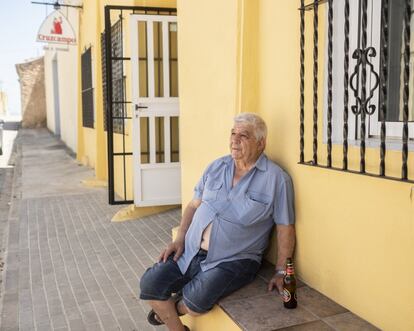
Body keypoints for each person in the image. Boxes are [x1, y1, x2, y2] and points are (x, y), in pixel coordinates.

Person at [140, 113, 296, 331]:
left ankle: (168, 310)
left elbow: (285, 227)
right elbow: (194, 206)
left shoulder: (276, 179)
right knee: (150, 283)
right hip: (191, 250)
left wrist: (281, 271)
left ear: (261, 143)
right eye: (233, 133)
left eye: (244, 135)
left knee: (197, 300)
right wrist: (180, 239)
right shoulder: (216, 167)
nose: (235, 139)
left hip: (234, 259)